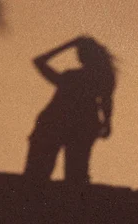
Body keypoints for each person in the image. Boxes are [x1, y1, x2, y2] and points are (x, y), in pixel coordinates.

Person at [24, 36, 116, 185]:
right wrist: (107, 122)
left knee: (36, 176)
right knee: (76, 177)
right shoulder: (102, 78)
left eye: (79, 51)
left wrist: (68, 45)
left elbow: (39, 61)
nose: (77, 54)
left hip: (53, 124)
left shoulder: (71, 78)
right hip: (79, 125)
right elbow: (107, 101)